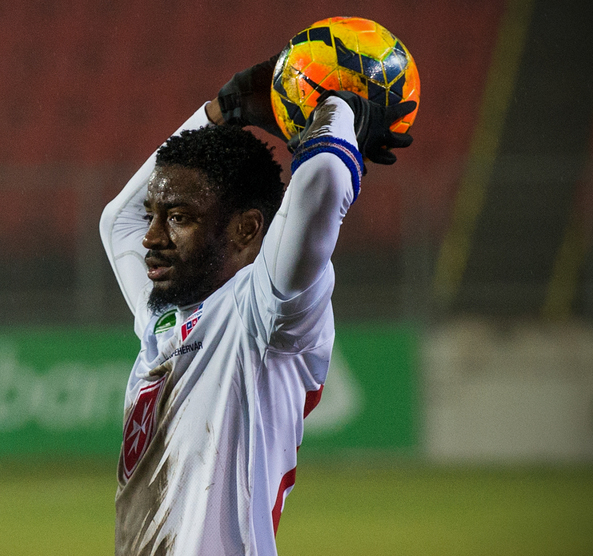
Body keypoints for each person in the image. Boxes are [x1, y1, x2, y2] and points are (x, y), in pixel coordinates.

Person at [99, 52, 415, 555]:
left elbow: (322, 178)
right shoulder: (160, 318)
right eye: (154, 215)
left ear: (246, 230)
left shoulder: (266, 315)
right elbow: (118, 221)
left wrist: (338, 108)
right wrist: (219, 111)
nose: (151, 237)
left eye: (178, 217)